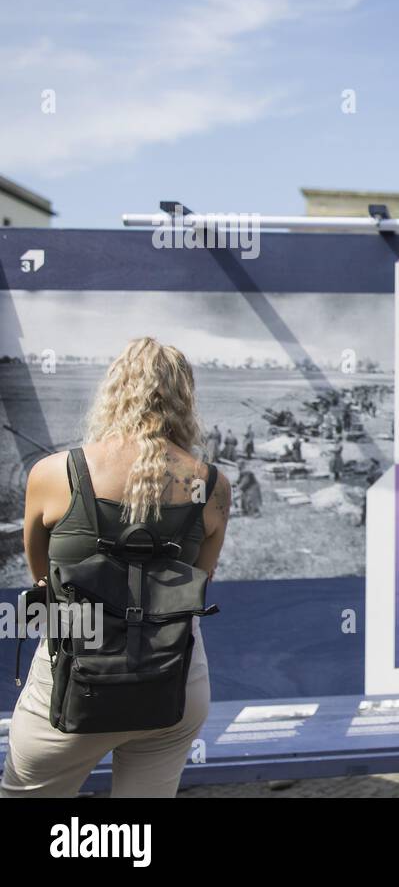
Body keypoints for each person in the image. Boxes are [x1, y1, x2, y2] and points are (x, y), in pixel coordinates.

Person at [2, 338, 231, 798]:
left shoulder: (52, 473)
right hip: (174, 684)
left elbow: (42, 577)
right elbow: (200, 581)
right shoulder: (212, 484)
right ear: (186, 399)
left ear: (113, 391)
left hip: (70, 684)